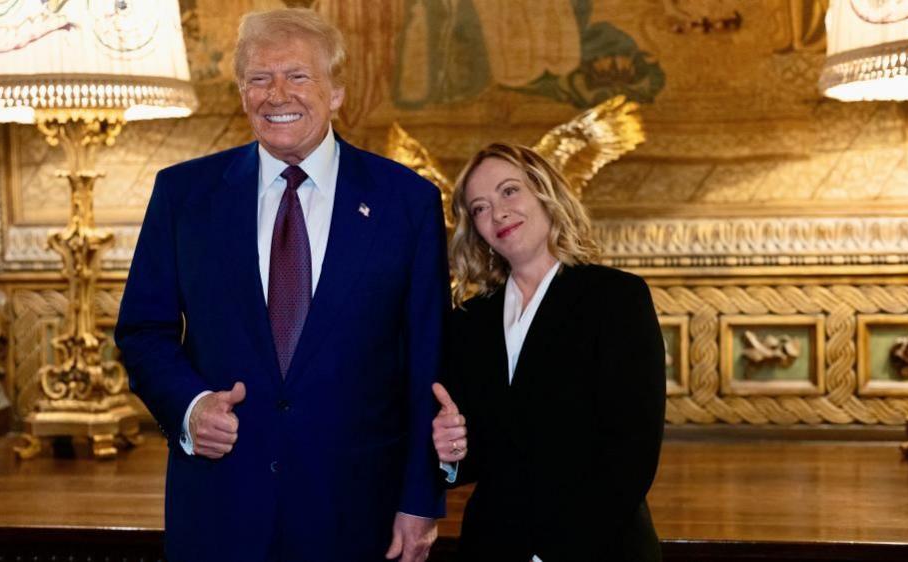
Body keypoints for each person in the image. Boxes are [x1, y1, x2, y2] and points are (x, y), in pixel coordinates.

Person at [115, 8, 448, 562]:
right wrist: (191, 406)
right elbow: (143, 330)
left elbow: (426, 362)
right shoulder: (184, 195)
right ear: (242, 94)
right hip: (220, 507)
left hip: (357, 511)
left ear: (336, 92)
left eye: (297, 76)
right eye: (259, 79)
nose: (277, 95)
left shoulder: (405, 202)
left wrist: (420, 500)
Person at [431, 143, 666, 561]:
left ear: (545, 192)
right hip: (494, 545)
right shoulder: (470, 320)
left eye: (509, 191)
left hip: (598, 547)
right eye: (480, 207)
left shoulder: (616, 298)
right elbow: (478, 456)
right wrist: (451, 452)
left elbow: (632, 453)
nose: (498, 213)